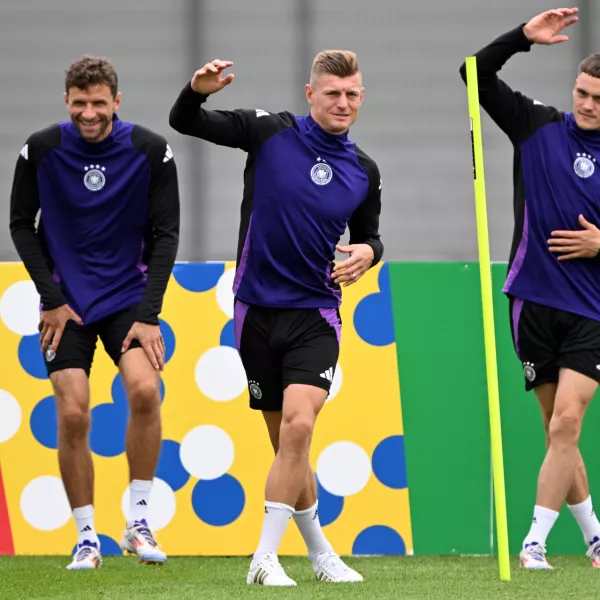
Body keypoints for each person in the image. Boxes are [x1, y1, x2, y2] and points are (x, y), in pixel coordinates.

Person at [169, 51, 382, 586]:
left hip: (316, 315)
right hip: (255, 312)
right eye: (332, 92)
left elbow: (370, 234)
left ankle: (263, 558)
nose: (343, 102)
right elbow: (185, 121)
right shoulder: (267, 132)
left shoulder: (364, 171)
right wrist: (197, 91)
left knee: (300, 425)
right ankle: (321, 554)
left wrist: (370, 254)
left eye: (352, 93)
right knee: (290, 445)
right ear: (310, 95)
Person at [9, 56, 180, 570]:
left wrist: (150, 314)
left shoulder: (151, 151)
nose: (89, 112)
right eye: (79, 103)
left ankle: (139, 522)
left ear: (116, 102)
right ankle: (87, 538)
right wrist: (52, 299)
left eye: (98, 103)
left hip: (129, 298)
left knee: (146, 391)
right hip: (66, 303)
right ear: (67, 101)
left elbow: (167, 234)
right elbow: (20, 224)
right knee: (73, 411)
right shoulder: (41, 149)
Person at [461, 7, 600, 570]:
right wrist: (522, 38)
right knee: (556, 433)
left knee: (568, 422)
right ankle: (594, 536)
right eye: (583, 92)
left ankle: (534, 543)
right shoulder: (537, 124)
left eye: (599, 98)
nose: (588, 104)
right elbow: (473, 75)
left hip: (592, 308)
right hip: (533, 300)